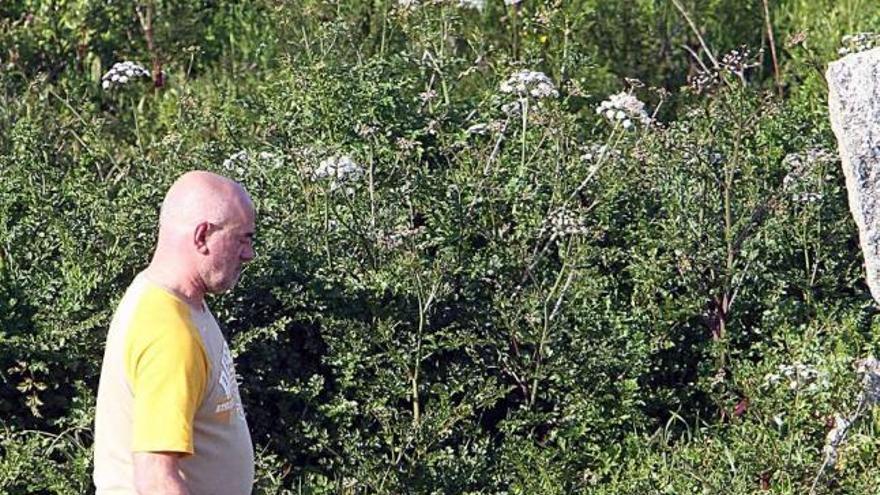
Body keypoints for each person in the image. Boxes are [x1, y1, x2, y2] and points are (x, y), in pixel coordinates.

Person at [93, 171, 257, 495]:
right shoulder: (170, 332)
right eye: (243, 239)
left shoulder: (175, 302)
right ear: (202, 236)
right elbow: (156, 479)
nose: (249, 254)